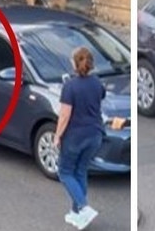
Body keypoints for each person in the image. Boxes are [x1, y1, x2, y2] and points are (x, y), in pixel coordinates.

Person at [53, 47, 105, 230]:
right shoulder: (97, 83)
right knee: (80, 171)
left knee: (65, 172)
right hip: (95, 135)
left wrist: (57, 136)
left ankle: (83, 207)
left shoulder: (70, 87)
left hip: (75, 137)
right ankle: (76, 214)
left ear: (75, 64)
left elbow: (65, 115)